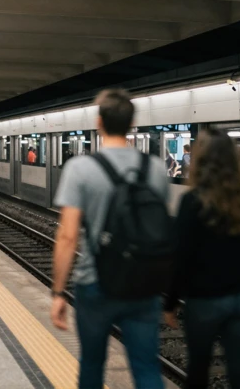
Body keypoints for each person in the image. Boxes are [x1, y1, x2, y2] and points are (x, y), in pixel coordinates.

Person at [50, 89, 168, 389]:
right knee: (146, 367)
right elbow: (160, 228)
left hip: (95, 282)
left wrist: (59, 292)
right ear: (132, 124)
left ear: (99, 122)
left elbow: (67, 236)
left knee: (92, 364)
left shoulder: (81, 168)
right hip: (144, 283)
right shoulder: (154, 168)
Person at [164, 129, 240, 388]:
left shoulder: (191, 201)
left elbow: (181, 255)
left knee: (198, 370)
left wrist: (170, 302)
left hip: (204, 300)